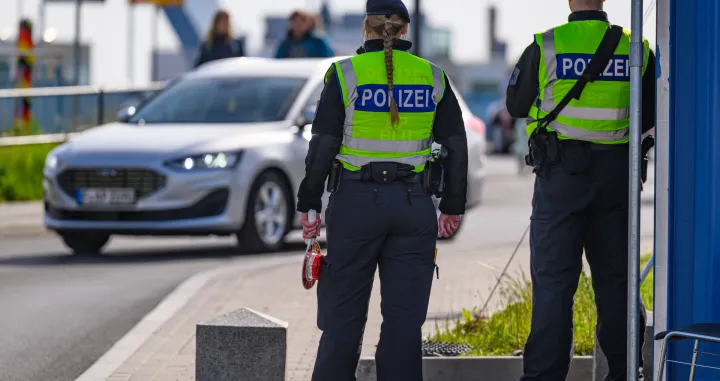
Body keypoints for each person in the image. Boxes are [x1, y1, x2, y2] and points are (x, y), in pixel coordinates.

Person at [296, 0, 468, 379]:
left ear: (365, 27)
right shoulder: (433, 77)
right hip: (413, 207)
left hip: (355, 206)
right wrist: (453, 206)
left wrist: (309, 204)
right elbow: (456, 145)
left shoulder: (345, 74)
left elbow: (322, 145)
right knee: (405, 327)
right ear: (405, 29)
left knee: (342, 320)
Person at [505, 0, 656, 380]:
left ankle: (544, 375)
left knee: (554, 285)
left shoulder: (548, 45)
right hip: (616, 178)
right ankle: (624, 373)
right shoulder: (636, 47)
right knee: (617, 285)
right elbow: (652, 113)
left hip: (561, 179)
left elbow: (516, 104)